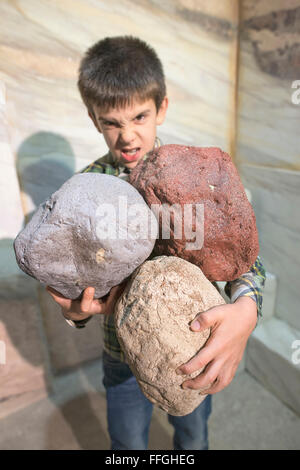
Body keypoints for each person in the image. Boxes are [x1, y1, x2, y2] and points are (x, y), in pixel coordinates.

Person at [46, 36, 266, 450]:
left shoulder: (189, 174)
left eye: (140, 117)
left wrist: (247, 308)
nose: (127, 136)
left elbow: (241, 254)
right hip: (120, 351)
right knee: (127, 442)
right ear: (94, 120)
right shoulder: (89, 190)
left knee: (193, 435)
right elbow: (75, 280)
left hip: (193, 344)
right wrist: (75, 314)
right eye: (111, 122)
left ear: (161, 108)